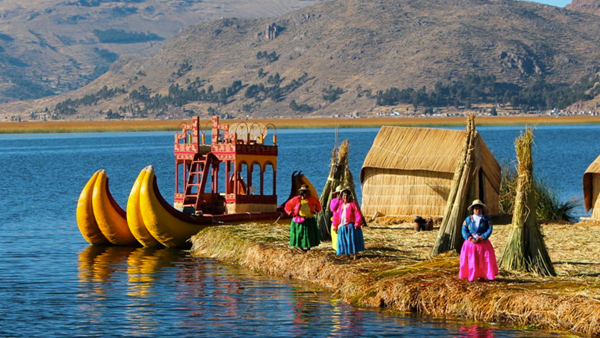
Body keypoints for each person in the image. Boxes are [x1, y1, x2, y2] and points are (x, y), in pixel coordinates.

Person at [459, 199, 499, 281]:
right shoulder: (468, 219)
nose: (477, 210)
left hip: (483, 244)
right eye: (476, 208)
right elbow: (464, 229)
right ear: (473, 210)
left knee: (484, 260)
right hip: (470, 244)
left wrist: (482, 237)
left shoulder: (486, 219)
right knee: (471, 260)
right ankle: (471, 275)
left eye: (479, 208)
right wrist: (470, 238)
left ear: (482, 209)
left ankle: (482, 275)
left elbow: (489, 229)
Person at [284, 184, 322, 252]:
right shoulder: (296, 199)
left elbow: (317, 204)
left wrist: (317, 210)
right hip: (299, 219)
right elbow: (288, 205)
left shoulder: (311, 199)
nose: (305, 194)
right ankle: (300, 247)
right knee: (299, 234)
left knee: (309, 234)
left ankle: (308, 247)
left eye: (306, 192)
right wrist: (289, 212)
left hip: (309, 219)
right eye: (303, 192)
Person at [331, 188, 365, 260]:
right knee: (345, 241)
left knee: (353, 240)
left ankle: (355, 255)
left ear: (350, 196)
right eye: (343, 196)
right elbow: (336, 216)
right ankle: (347, 255)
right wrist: (335, 226)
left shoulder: (353, 205)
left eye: (347, 195)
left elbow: (357, 214)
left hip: (351, 226)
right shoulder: (340, 206)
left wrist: (357, 223)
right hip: (342, 226)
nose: (345, 197)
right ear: (341, 197)